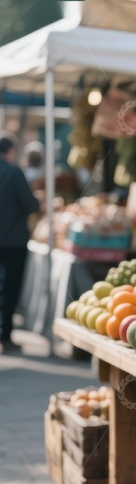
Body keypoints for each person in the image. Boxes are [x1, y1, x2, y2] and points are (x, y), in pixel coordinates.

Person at [0, 133, 40, 352]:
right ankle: (5, 335)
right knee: (10, 288)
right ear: (11, 151)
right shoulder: (14, 173)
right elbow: (31, 205)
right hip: (13, 241)